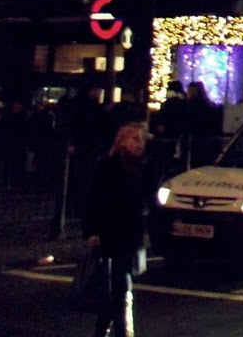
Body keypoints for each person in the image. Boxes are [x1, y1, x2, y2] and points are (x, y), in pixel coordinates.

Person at [83, 122, 150, 337]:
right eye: (135, 139)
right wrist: (92, 231)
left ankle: (107, 330)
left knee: (119, 289)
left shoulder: (142, 166)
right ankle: (118, 331)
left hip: (129, 234)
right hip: (110, 233)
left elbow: (146, 199)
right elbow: (94, 199)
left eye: (142, 140)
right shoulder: (108, 165)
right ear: (122, 141)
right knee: (116, 289)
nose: (140, 144)